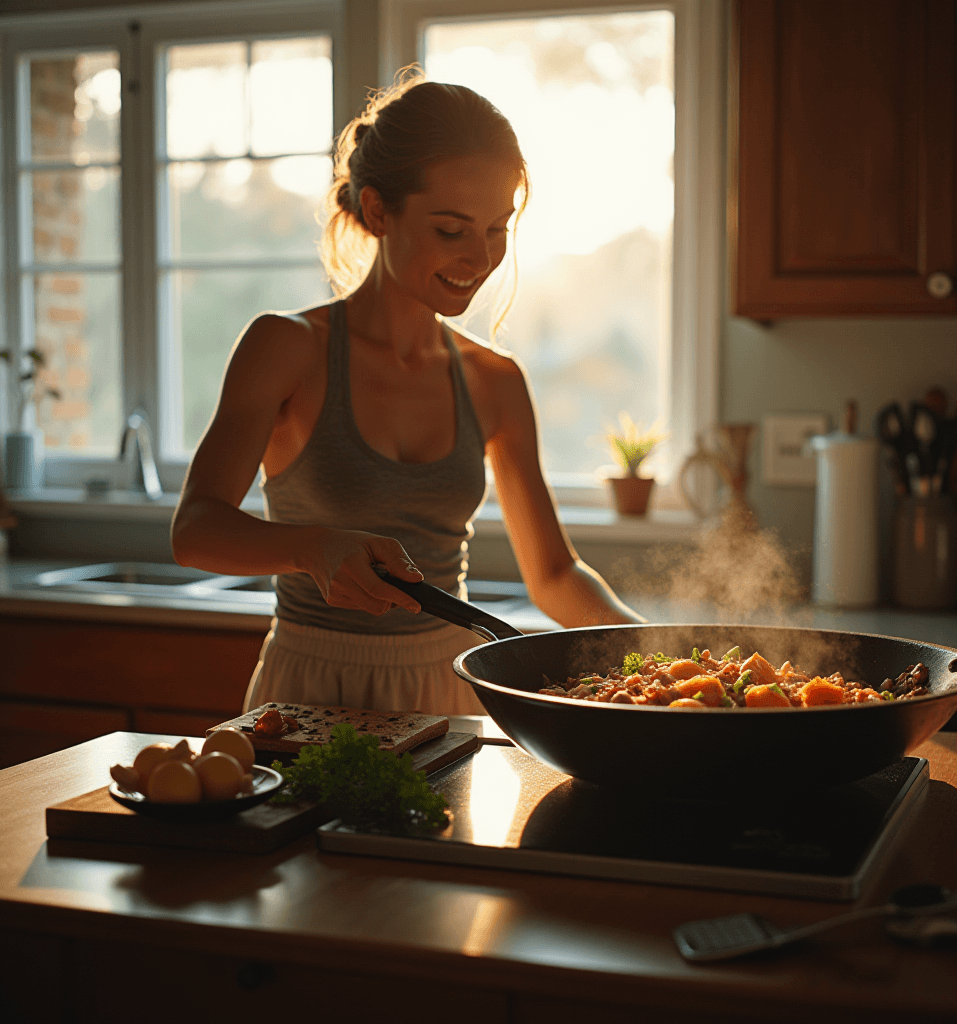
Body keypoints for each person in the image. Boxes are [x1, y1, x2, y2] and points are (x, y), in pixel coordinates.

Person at [171, 72, 643, 717]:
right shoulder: (285, 348)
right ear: (376, 210)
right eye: (451, 230)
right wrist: (310, 547)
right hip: (309, 689)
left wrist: (655, 651)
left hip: (449, 691)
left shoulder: (495, 380)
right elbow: (196, 528)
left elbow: (554, 576)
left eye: (497, 230)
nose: (478, 258)